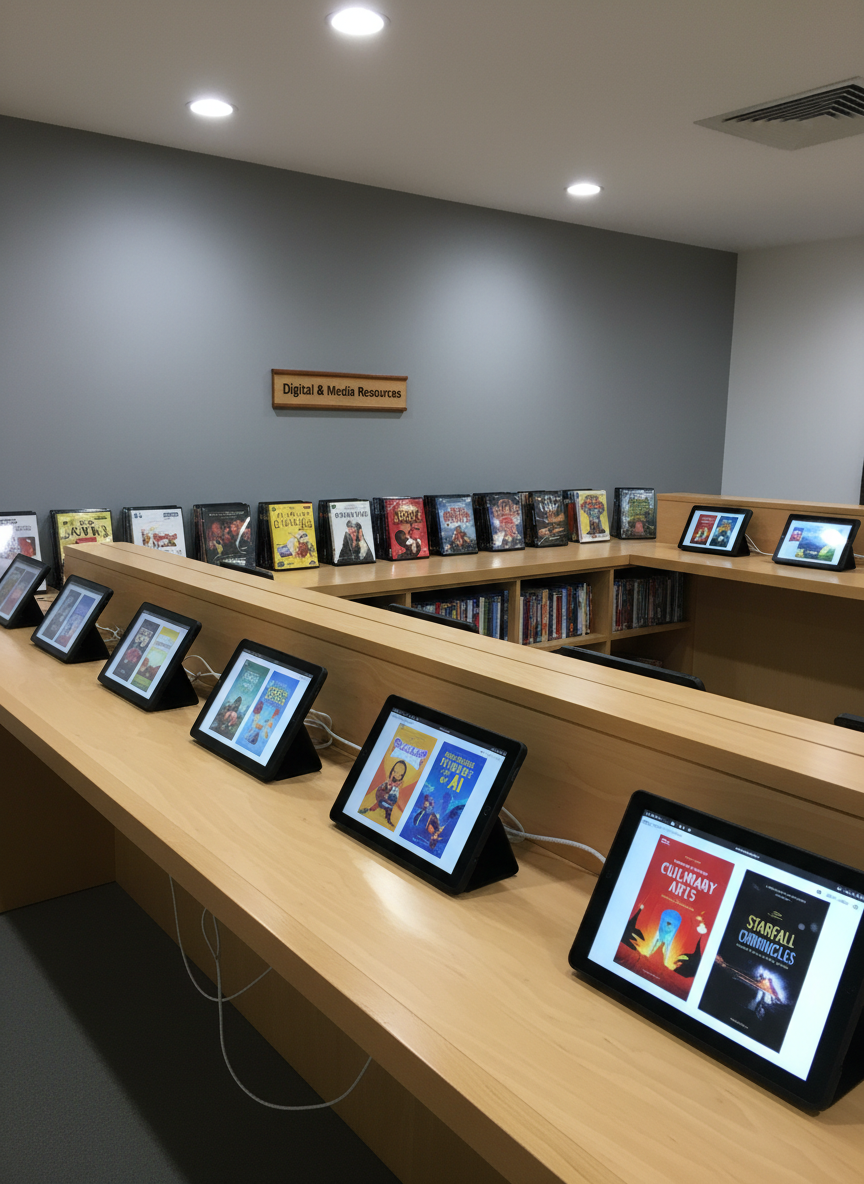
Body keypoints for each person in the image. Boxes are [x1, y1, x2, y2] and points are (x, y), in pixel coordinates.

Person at [359, 760, 407, 825]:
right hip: (382, 797)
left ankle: (388, 818)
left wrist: (391, 794)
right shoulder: (388, 781)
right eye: (395, 771)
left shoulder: (398, 786)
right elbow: (381, 790)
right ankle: (368, 809)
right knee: (376, 804)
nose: (397, 775)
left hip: (389, 801)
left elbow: (394, 797)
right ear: (392, 771)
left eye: (400, 775)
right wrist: (386, 787)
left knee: (389, 809)